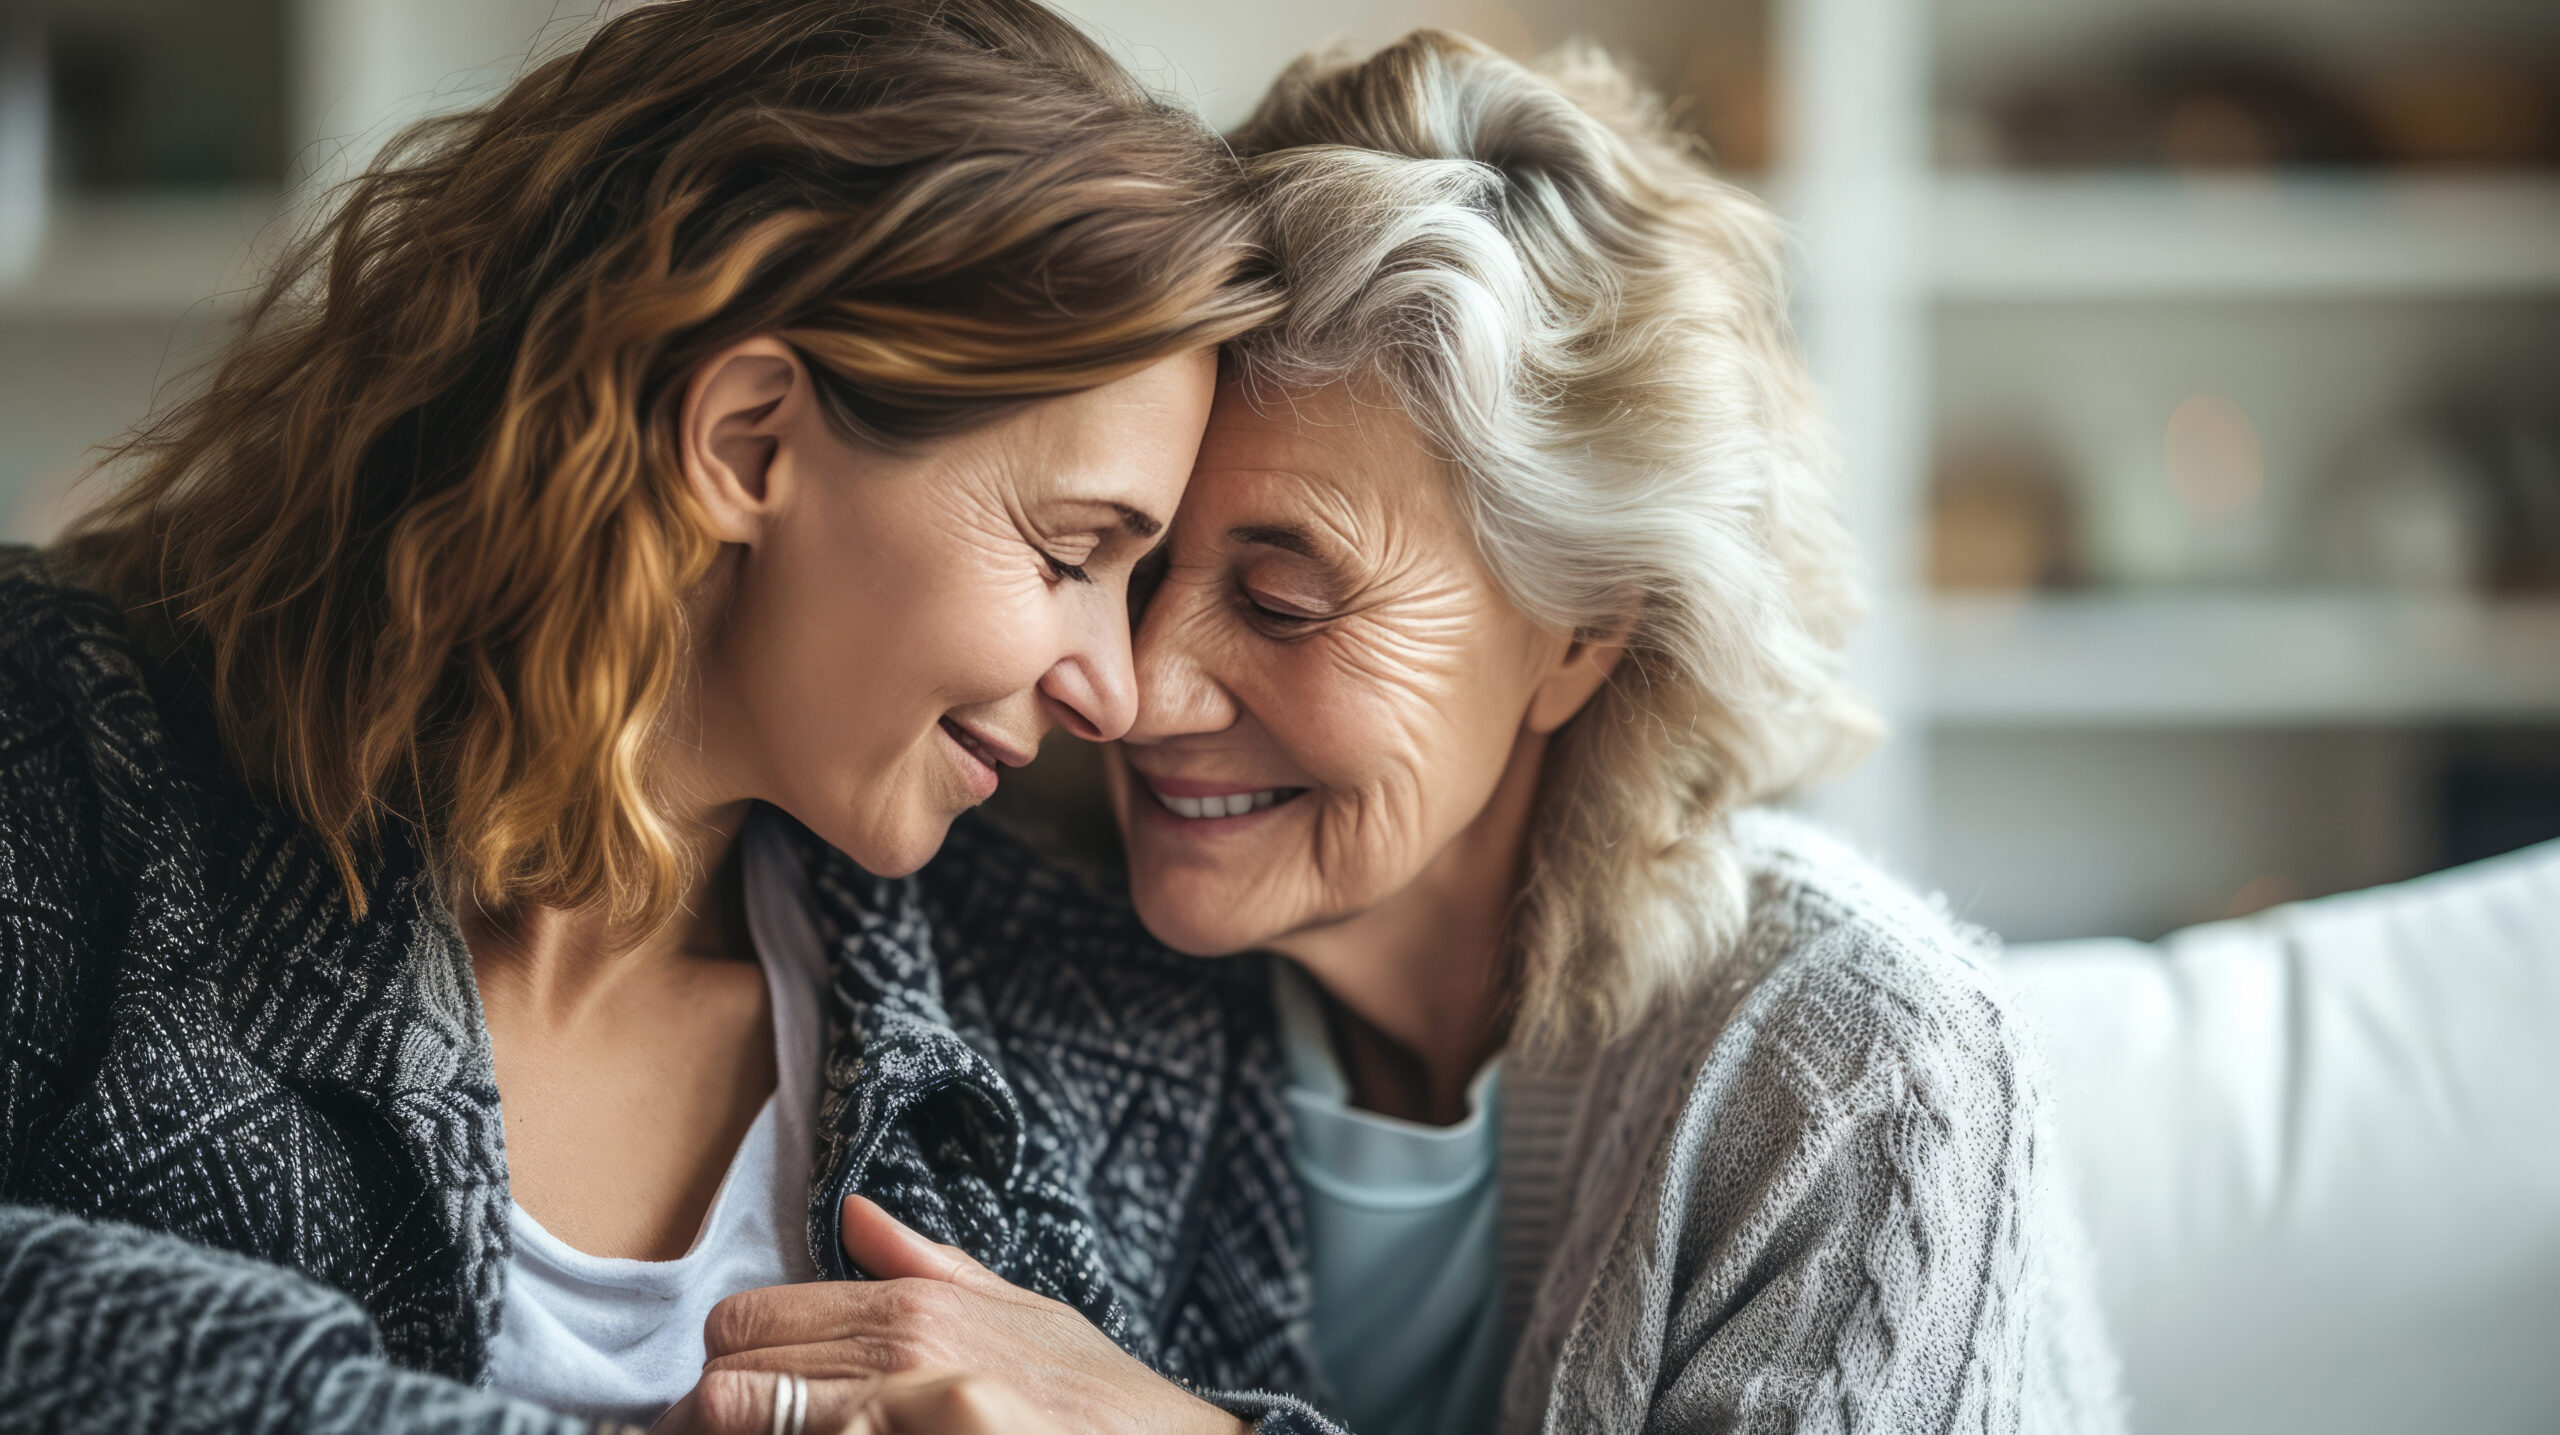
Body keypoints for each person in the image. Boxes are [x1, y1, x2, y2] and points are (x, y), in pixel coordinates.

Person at [695, 31, 2128, 1435]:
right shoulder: (992, 923)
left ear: (1579, 634)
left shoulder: (1849, 1077)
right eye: (1120, 565)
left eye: (1284, 600)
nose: (1138, 691)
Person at [0, 2, 1283, 1432]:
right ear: (748, 441)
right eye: (1067, 554)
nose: (1111, 688)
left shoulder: (1106, 1007)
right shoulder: (61, 746)